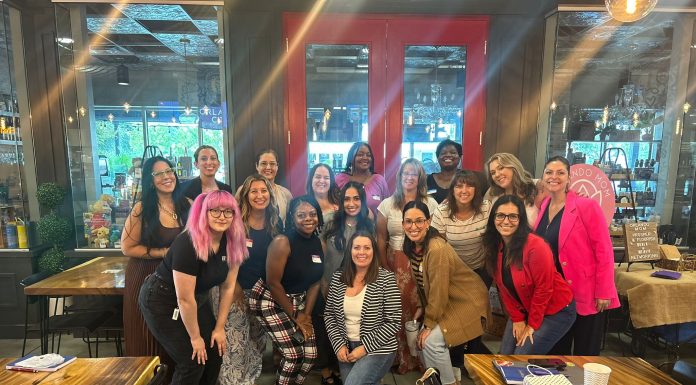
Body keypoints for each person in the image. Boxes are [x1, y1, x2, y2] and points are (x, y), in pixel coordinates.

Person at [138, 191, 247, 385]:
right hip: (162, 299)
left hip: (196, 298)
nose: (222, 216)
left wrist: (220, 328)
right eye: (215, 211)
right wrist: (195, 338)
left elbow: (228, 287)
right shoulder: (187, 243)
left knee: (214, 352)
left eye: (228, 211)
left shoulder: (233, 240)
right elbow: (184, 299)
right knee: (192, 360)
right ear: (203, 212)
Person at [533, 156, 619, 356]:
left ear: (569, 178)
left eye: (560, 173)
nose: (554, 177)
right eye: (549, 172)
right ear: (543, 177)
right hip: (556, 294)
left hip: (585, 292)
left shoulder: (586, 206)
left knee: (585, 354)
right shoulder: (545, 205)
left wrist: (604, 290)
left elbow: (604, 250)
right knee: (556, 352)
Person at [402, 201, 489, 385]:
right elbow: (424, 283)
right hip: (449, 299)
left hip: (467, 301)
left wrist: (428, 324)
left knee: (431, 342)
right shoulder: (413, 246)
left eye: (419, 221)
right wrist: (421, 307)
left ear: (428, 222)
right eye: (408, 221)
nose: (413, 226)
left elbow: (438, 290)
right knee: (423, 342)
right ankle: (438, 379)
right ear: (402, 224)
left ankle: (448, 382)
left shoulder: (436, 248)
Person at [121, 156, 189, 380]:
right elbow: (127, 247)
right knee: (147, 339)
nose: (167, 177)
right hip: (145, 277)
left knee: (176, 337)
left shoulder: (187, 204)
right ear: (150, 181)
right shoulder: (142, 209)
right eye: (159, 174)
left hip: (176, 279)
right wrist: (162, 253)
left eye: (169, 171)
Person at [211, 174, 283, 385]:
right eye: (254, 191)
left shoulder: (275, 223)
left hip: (262, 295)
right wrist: (235, 288)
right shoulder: (235, 223)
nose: (259, 196)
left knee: (255, 343)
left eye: (264, 191)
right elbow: (222, 260)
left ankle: (247, 380)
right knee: (235, 344)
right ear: (245, 195)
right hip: (233, 291)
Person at [483, 194, 576, 355]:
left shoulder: (536, 246)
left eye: (513, 216)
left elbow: (544, 289)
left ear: (521, 220)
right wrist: (518, 319)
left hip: (555, 310)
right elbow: (504, 289)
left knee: (521, 356)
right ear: (493, 218)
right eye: (500, 215)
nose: (506, 221)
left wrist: (531, 325)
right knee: (504, 356)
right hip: (525, 308)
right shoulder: (495, 245)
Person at [249, 196, 324, 385]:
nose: (308, 218)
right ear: (292, 217)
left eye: (313, 214)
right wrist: (295, 315)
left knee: (310, 355)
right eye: (301, 215)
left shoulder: (319, 243)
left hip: (298, 301)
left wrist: (305, 315)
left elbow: (316, 282)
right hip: (270, 298)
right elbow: (273, 282)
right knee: (293, 355)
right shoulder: (282, 242)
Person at [376, 158, 438, 374]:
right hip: (395, 261)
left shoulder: (430, 203)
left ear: (420, 178)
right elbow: (380, 238)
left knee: (421, 306)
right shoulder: (387, 204)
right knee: (397, 309)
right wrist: (385, 267)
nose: (409, 177)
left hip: (422, 261)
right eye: (406, 173)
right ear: (399, 176)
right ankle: (400, 357)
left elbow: (436, 236)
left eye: (414, 174)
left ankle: (421, 357)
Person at [324, 231, 401, 385]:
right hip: (346, 348)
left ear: (374, 251)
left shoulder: (386, 279)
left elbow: (393, 322)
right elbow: (329, 315)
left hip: (378, 348)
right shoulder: (338, 278)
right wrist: (339, 345)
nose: (361, 252)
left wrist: (365, 348)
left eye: (367, 248)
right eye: (356, 247)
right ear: (350, 251)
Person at [317, 182, 375, 384]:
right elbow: (322, 254)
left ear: (362, 200)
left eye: (356, 198)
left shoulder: (368, 222)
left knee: (350, 324)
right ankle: (326, 369)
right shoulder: (331, 221)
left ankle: (352, 365)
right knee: (328, 325)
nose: (351, 203)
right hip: (329, 282)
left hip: (357, 285)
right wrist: (323, 284)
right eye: (347, 199)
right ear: (341, 202)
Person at [431, 170, 492, 288]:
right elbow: (440, 246)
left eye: (469, 186)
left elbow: (491, 238)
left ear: (476, 189)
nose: (464, 191)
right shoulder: (442, 211)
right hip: (453, 271)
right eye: (458, 186)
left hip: (480, 269)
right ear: (452, 191)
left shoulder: (486, 208)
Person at [335, 142, 390, 217]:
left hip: (374, 228)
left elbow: (387, 210)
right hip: (344, 227)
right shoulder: (339, 179)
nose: (365, 158)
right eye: (360, 154)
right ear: (351, 158)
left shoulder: (379, 180)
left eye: (368, 155)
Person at [484, 153, 540, 226]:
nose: (497, 175)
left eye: (501, 168)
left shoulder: (537, 186)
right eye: (493, 173)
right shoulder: (492, 193)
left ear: (514, 167)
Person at [426, 139, 489, 204]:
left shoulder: (475, 178)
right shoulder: (427, 181)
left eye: (453, 152)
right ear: (438, 158)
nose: (448, 155)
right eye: (443, 153)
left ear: (459, 157)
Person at [255, 149, 293, 223]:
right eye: (263, 163)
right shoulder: (244, 191)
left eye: (272, 164)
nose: (268, 167)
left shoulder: (286, 194)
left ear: (277, 166)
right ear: (257, 166)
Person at [306, 163, 340, 228]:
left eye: (326, 178)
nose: (322, 181)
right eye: (318, 177)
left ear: (331, 182)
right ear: (311, 180)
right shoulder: (302, 206)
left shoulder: (339, 208)